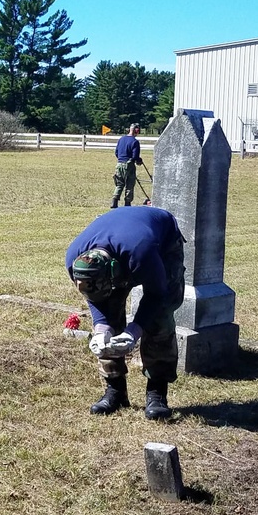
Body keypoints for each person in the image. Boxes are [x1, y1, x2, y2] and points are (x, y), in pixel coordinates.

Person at [66, 206, 185, 420]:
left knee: (160, 319)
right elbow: (95, 299)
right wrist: (102, 330)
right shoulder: (75, 261)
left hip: (162, 242)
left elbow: (157, 296)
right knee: (108, 322)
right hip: (120, 243)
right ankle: (115, 391)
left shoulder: (142, 254)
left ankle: (157, 393)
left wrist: (133, 332)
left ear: (114, 273)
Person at [111, 123, 143, 209]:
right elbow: (135, 156)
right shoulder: (135, 142)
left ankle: (114, 201)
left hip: (119, 164)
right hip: (129, 165)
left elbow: (116, 152)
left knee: (119, 184)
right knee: (129, 184)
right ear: (136, 130)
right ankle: (127, 203)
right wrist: (139, 160)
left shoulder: (121, 139)